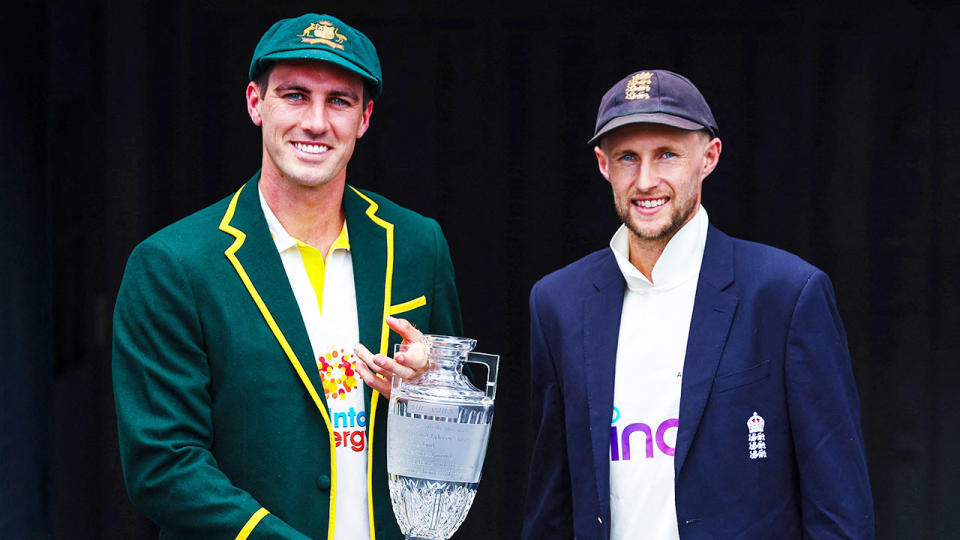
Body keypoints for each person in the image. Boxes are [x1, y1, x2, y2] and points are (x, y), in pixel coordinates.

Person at [112, 13, 462, 539]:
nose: (316, 122)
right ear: (256, 102)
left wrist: (432, 397)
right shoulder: (172, 264)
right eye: (295, 95)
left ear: (364, 118)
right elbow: (164, 466)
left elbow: (456, 445)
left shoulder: (417, 244)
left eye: (339, 101)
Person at [522, 70, 873, 539]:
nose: (646, 180)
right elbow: (551, 506)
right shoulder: (558, 303)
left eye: (667, 154)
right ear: (603, 165)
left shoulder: (786, 293)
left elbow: (839, 509)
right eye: (628, 157)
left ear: (709, 157)